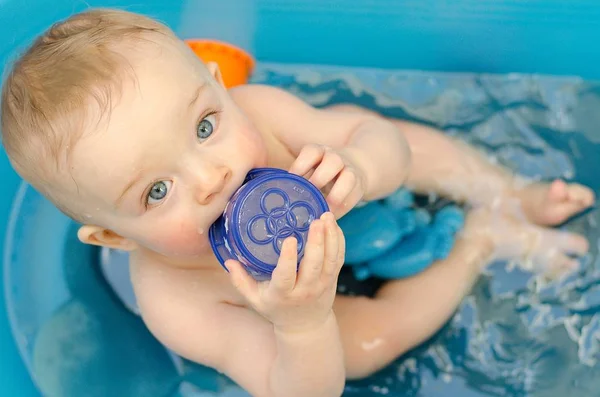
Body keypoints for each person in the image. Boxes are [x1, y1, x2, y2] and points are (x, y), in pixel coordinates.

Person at [1, 9, 594, 397]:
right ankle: (479, 241)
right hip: (295, 314)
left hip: (353, 197)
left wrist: (364, 167)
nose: (214, 177)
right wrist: (303, 323)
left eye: (205, 126)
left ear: (218, 86)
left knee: (380, 131)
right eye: (157, 192)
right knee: (364, 347)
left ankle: (507, 191)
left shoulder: (261, 112)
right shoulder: (178, 302)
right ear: (116, 238)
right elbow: (303, 391)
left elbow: (384, 145)